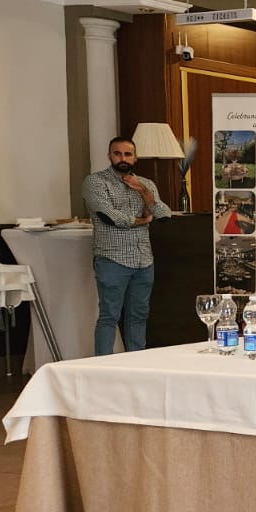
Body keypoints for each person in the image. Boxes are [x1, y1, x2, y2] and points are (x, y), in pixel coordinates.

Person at [82, 136, 171, 355]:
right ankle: (103, 367)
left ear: (135, 157)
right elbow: (108, 216)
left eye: (127, 154)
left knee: (139, 315)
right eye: (117, 153)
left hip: (144, 260)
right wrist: (142, 220)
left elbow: (164, 214)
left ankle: (136, 364)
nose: (122, 158)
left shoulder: (146, 184)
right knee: (109, 316)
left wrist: (141, 189)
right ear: (109, 156)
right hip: (113, 259)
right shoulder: (96, 182)